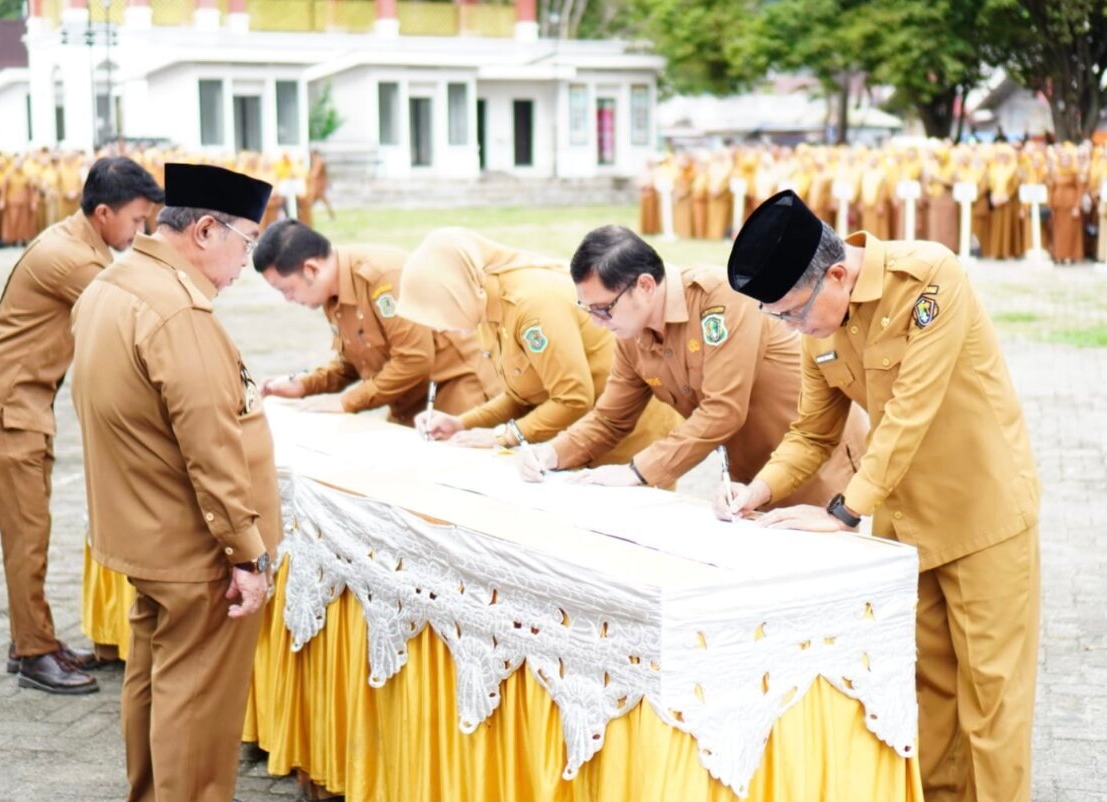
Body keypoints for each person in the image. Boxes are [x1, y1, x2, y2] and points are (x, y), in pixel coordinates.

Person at [717, 190, 1041, 802]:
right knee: (927, 700)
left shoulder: (929, 279)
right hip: (904, 528)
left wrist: (843, 513)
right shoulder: (819, 327)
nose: (790, 328)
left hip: (983, 517)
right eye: (777, 318)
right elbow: (812, 432)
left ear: (836, 275)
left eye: (790, 313)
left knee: (992, 706)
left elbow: (909, 414)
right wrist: (753, 492)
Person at [70, 163, 279, 802]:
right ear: (208, 231)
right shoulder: (179, 309)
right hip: (193, 545)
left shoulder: (115, 283)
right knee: (199, 700)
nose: (247, 262)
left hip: (142, 528)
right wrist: (247, 551)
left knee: (154, 679)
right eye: (247, 243)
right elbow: (211, 449)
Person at [0, 156, 163, 694]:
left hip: (16, 409)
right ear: (102, 213)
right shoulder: (75, 260)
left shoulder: (80, 243)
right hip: (4, 413)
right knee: (28, 538)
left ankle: (33, 637)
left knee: (30, 532)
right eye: (138, 220)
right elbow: (137, 311)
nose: (142, 232)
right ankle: (32, 653)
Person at [515, 225, 866, 498]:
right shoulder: (630, 333)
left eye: (604, 308)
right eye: (588, 310)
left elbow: (723, 409)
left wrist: (638, 471)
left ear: (646, 285)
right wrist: (552, 454)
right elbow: (611, 419)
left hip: (813, 464)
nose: (597, 321)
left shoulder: (720, 297)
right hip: (750, 478)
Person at [397, 227, 678, 460]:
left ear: (460, 289)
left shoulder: (531, 304)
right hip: (583, 437)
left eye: (440, 309)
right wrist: (462, 423)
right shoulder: (484, 308)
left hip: (628, 434)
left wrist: (504, 436)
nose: (439, 326)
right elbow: (522, 394)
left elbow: (572, 398)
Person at [252, 220, 498, 422]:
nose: (287, 299)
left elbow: (414, 359)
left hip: (459, 390)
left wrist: (347, 402)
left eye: (286, 289)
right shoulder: (332, 291)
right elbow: (353, 363)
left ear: (311, 269)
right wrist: (303, 385)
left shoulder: (382, 277)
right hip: (412, 401)